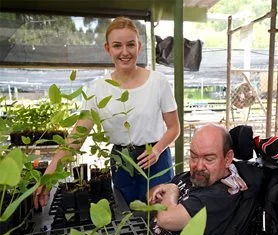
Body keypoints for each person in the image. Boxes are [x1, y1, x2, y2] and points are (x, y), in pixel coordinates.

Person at [34, 17, 180, 208]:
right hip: (121, 161)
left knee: (159, 215)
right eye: (117, 45)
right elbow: (77, 136)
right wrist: (50, 174)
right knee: (126, 215)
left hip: (155, 159)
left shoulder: (158, 82)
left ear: (139, 46)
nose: (125, 52)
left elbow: (174, 128)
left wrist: (158, 148)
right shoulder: (98, 88)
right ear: (107, 48)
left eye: (130, 45)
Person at [148, 124, 253, 235]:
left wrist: (170, 190)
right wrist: (162, 190)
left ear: (227, 159)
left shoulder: (220, 194)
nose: (198, 166)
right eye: (193, 157)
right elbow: (151, 195)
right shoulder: (194, 177)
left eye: (208, 159)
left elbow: (166, 219)